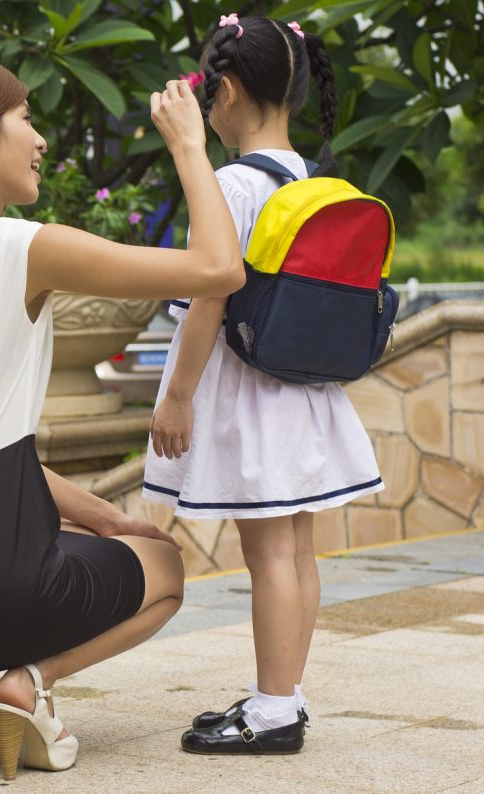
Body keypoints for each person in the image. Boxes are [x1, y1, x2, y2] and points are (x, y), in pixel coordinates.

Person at [0, 57, 243, 781]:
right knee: (163, 566)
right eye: (26, 119)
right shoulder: (23, 246)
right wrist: (191, 146)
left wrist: (102, 515)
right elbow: (220, 270)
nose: (39, 140)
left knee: (72, 536)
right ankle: (26, 683)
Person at [144, 15, 384, 755]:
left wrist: (178, 395)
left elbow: (206, 298)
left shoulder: (229, 184)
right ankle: (283, 694)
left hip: (250, 396)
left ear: (232, 89)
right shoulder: (312, 178)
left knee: (269, 556)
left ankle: (275, 710)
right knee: (297, 550)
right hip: (304, 391)